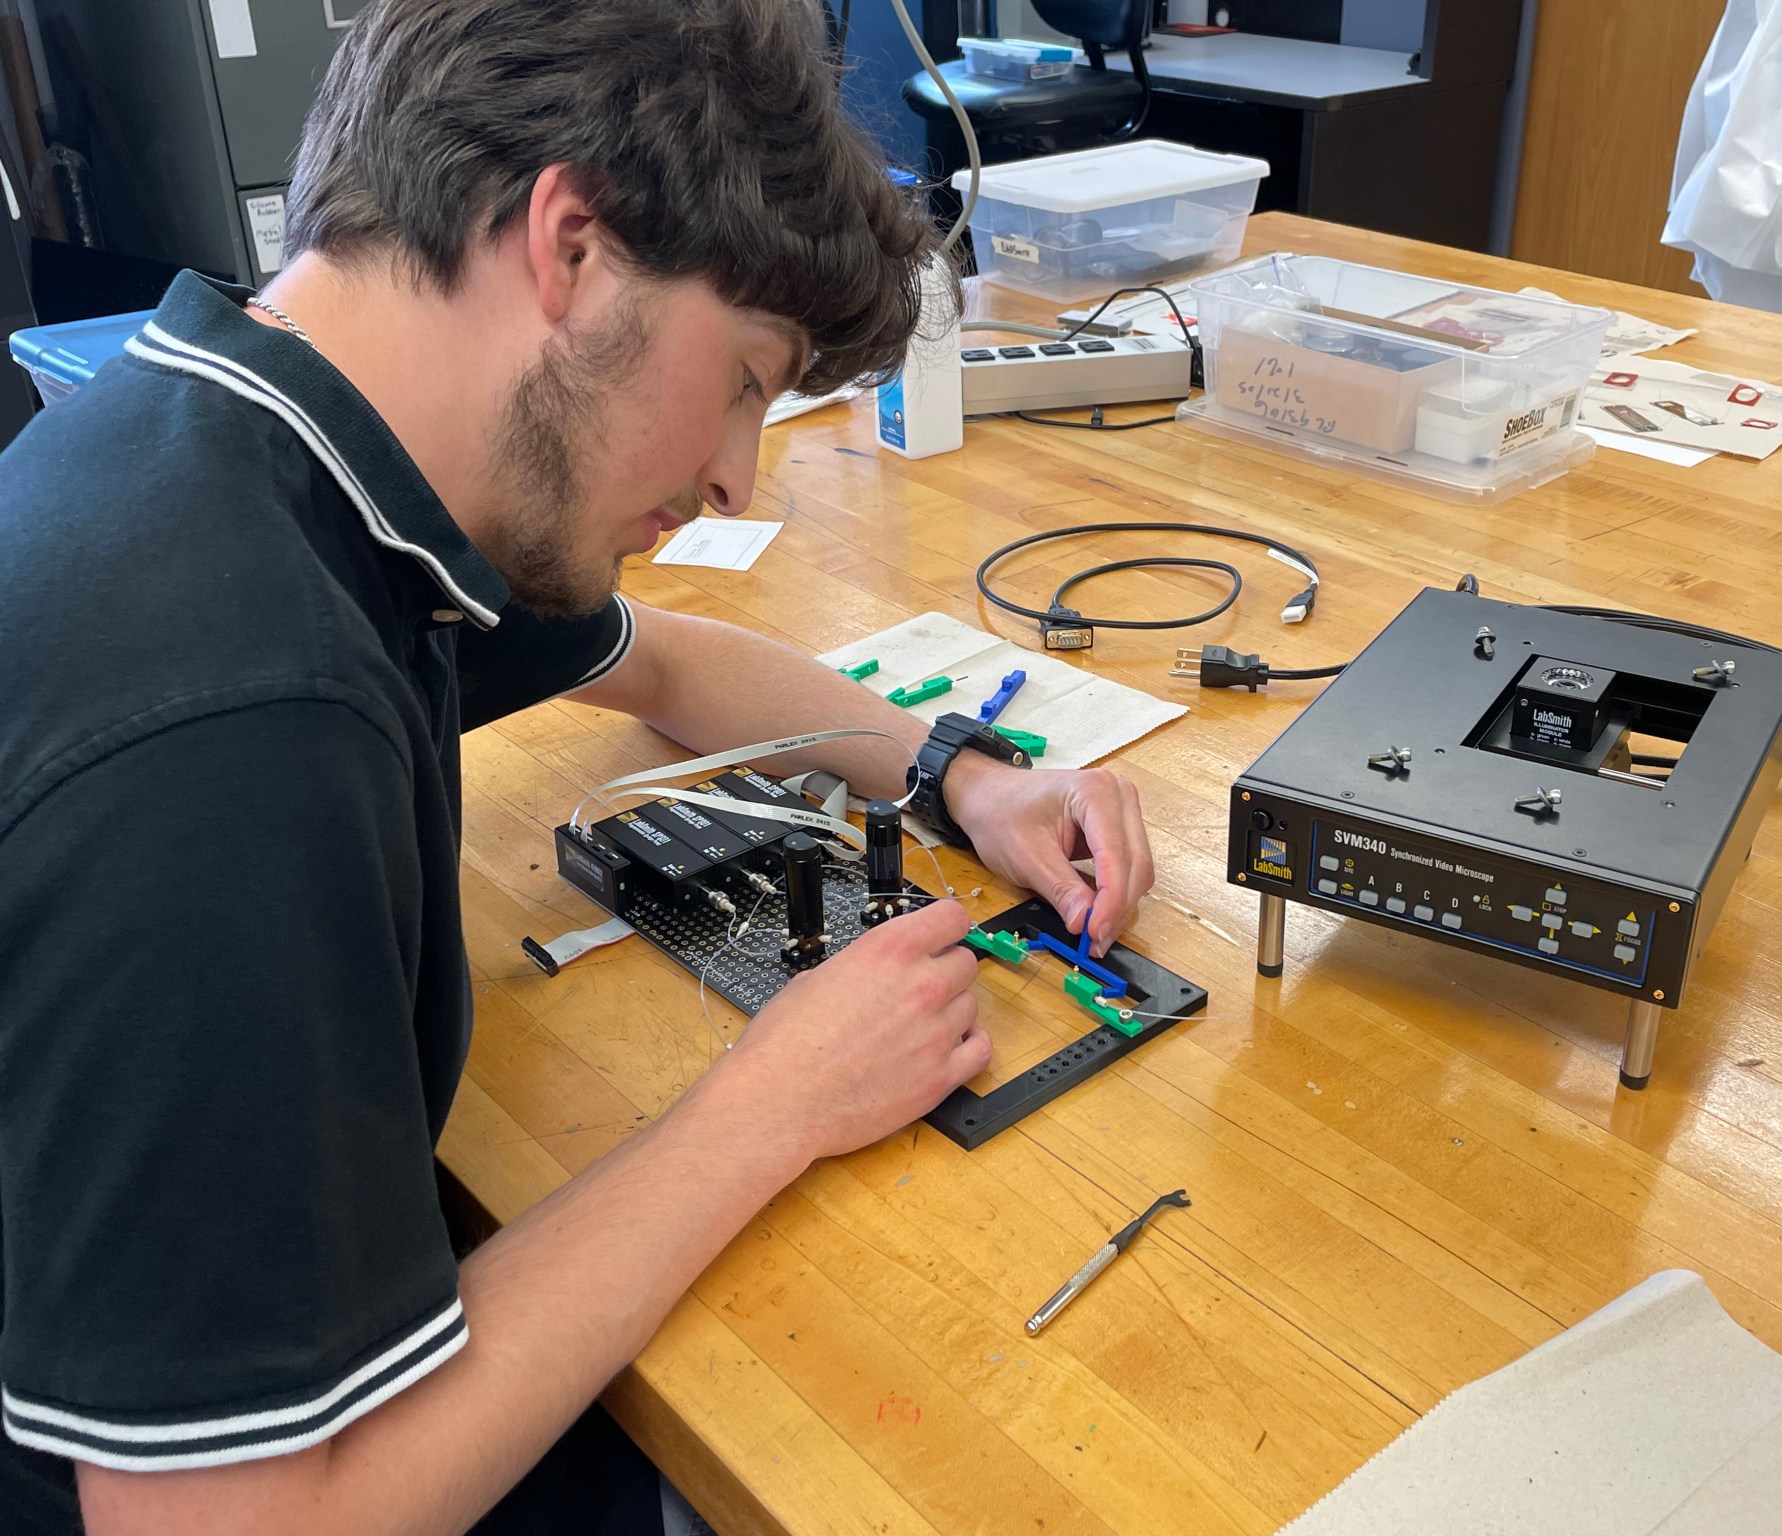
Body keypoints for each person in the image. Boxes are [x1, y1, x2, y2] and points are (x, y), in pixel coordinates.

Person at [0, 1, 1155, 1532]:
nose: (743, 471)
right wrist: (771, 1106)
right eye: (748, 375)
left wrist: (960, 773)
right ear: (573, 248)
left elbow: (665, 661)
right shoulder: (238, 729)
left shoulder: (256, 451)